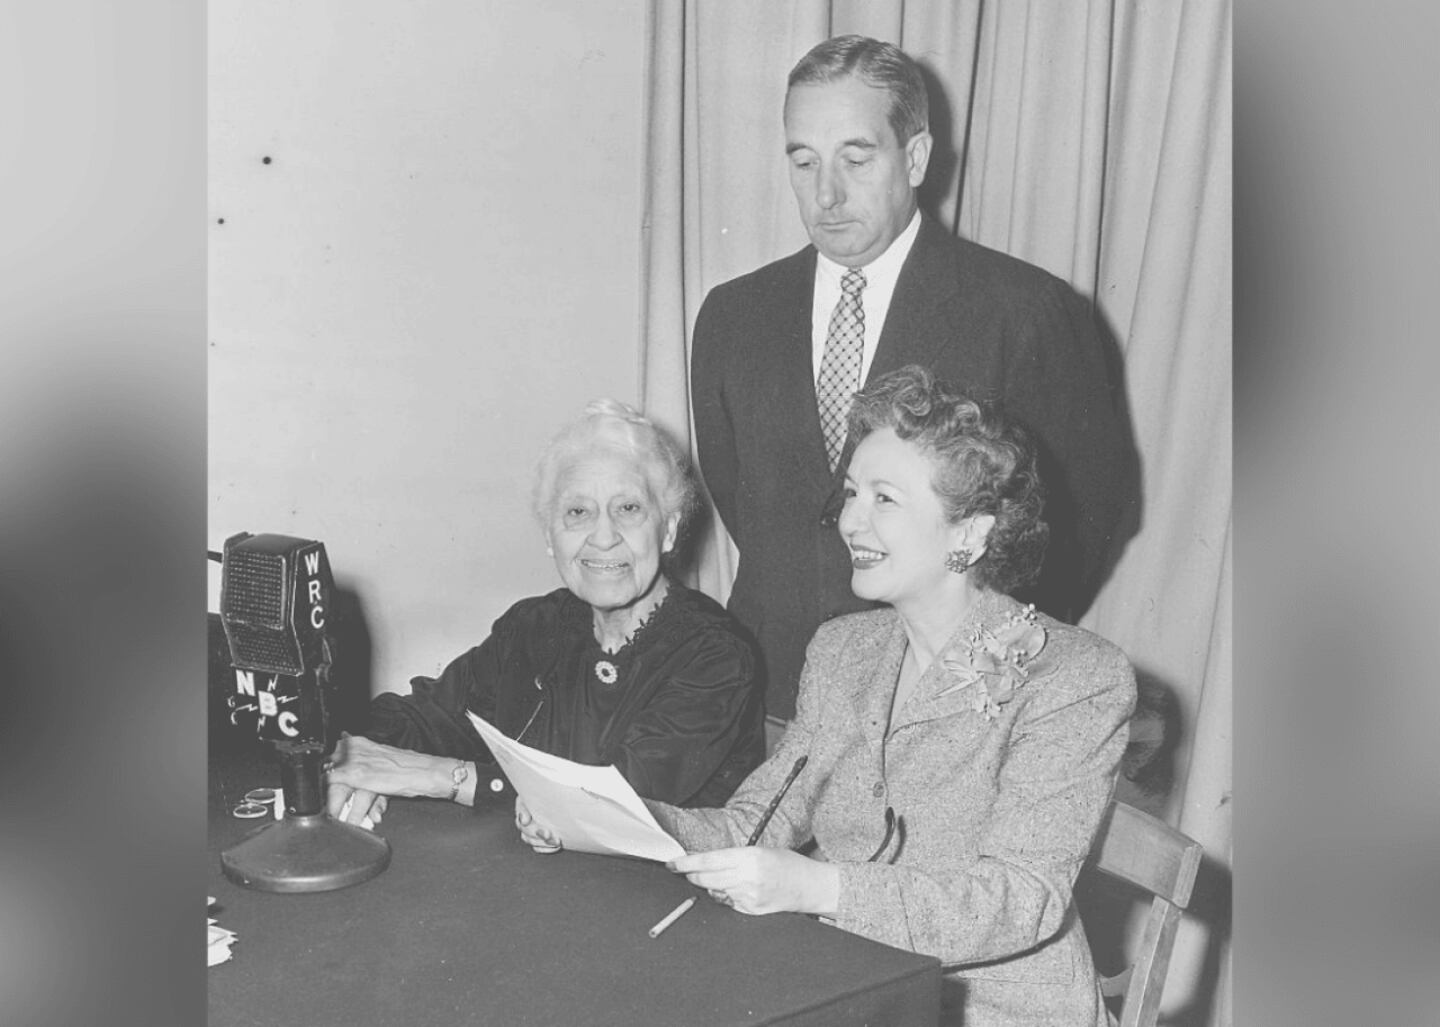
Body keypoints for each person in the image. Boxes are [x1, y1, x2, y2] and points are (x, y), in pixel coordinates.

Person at [524, 367, 1134, 1026]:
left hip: (992, 1007)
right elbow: (755, 822)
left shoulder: (1075, 678)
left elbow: (1020, 900)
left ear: (970, 534)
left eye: (884, 499)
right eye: (850, 493)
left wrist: (817, 886)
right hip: (846, 984)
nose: (849, 521)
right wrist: (612, 819)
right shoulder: (844, 651)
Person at [690, 34, 1135, 722]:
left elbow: (1079, 520)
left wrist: (984, 662)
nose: (826, 193)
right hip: (766, 699)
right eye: (804, 161)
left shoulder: (1026, 312)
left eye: (856, 158)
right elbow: (744, 504)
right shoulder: (732, 316)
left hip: (947, 709)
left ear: (917, 157)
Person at [325, 399, 766, 827]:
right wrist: (354, 761)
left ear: (668, 530)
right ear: (551, 537)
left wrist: (440, 776)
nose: (604, 537)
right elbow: (427, 718)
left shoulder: (716, 655)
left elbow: (610, 807)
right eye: (578, 512)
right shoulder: (535, 627)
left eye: (628, 509)